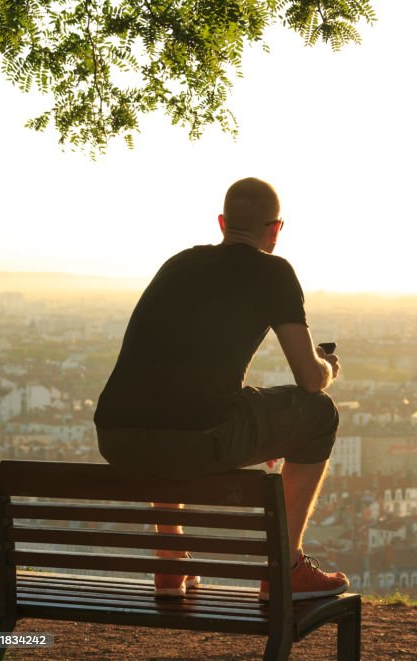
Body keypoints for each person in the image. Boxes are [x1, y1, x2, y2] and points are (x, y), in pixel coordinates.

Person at [93, 177, 349, 602]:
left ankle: (171, 563)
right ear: (276, 230)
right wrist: (328, 368)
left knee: (170, 410)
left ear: (222, 223)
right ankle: (284, 569)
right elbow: (308, 378)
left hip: (116, 436)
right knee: (321, 414)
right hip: (198, 438)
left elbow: (175, 373)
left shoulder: (179, 264)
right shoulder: (274, 272)